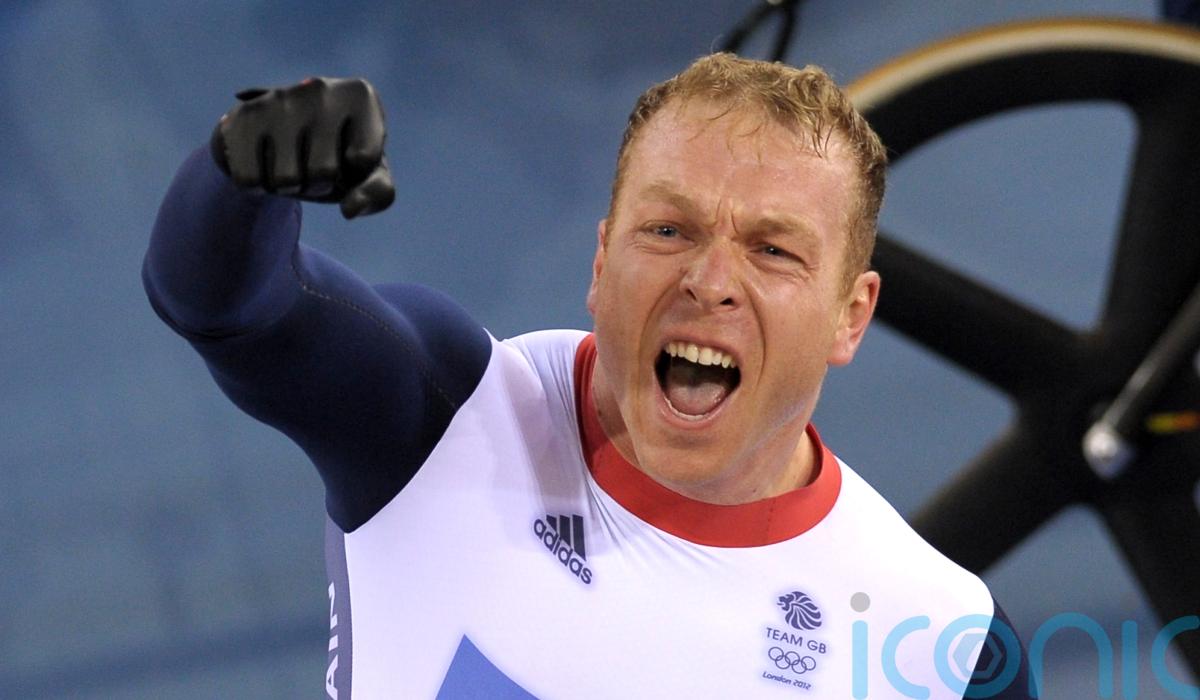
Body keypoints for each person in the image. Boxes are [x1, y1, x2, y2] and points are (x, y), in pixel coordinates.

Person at [145, 54, 1032, 698]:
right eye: (668, 230)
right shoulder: (447, 415)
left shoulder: (949, 650)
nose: (710, 281)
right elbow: (231, 308)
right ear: (602, 261)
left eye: (772, 250)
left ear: (850, 314)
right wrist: (239, 172)